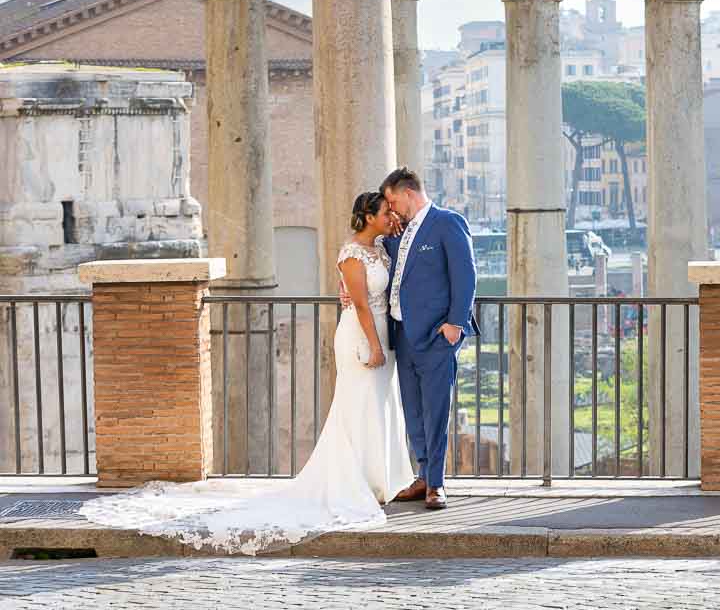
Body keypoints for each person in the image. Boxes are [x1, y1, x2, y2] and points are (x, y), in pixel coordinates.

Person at [80, 192, 413, 555]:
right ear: (366, 217)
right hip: (361, 335)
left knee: (380, 404)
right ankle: (356, 481)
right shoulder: (351, 253)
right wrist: (375, 346)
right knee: (356, 406)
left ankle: (382, 479)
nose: (390, 215)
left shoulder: (382, 248)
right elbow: (361, 304)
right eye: (384, 211)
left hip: (382, 331)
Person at [374, 167, 478, 511]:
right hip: (402, 334)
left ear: (407, 194)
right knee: (413, 409)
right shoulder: (398, 232)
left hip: (436, 335)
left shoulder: (447, 223)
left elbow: (466, 275)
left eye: (392, 201)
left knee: (436, 411)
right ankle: (421, 475)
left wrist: (455, 325)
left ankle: (436, 483)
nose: (391, 209)